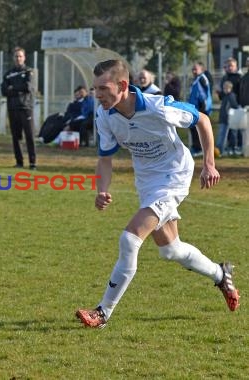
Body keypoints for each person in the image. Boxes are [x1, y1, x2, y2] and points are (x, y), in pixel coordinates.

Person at [75, 59, 240, 329]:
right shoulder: (104, 115)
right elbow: (105, 158)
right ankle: (221, 274)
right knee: (171, 250)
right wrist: (102, 189)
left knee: (130, 239)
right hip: (147, 182)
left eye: (103, 88)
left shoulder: (158, 106)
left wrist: (209, 163)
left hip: (175, 176)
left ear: (123, 85)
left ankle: (103, 312)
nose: (98, 95)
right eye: (95, 89)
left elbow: (203, 120)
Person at [1, 46, 36, 170]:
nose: (18, 58)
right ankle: (19, 162)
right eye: (16, 56)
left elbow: (27, 87)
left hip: (26, 107)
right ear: (13, 58)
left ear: (24, 58)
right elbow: (4, 90)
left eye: (20, 56)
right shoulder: (9, 74)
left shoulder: (28, 71)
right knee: (16, 137)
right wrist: (15, 89)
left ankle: (32, 163)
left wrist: (13, 88)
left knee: (29, 136)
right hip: (12, 108)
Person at [217, 57, 243, 156]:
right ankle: (227, 147)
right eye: (227, 66)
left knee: (236, 129)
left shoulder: (239, 77)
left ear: (236, 66)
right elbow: (223, 96)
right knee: (226, 129)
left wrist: (238, 105)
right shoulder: (224, 78)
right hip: (226, 108)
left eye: (231, 66)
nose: (229, 68)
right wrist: (220, 93)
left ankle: (237, 146)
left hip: (236, 107)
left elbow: (241, 92)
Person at [188, 62, 212, 157]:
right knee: (193, 129)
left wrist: (203, 109)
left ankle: (200, 149)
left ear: (201, 70)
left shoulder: (202, 78)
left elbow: (205, 94)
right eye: (192, 69)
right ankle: (196, 147)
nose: (194, 71)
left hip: (201, 109)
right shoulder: (196, 79)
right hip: (194, 108)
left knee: (200, 130)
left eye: (196, 69)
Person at [216, 80, 240, 156]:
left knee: (226, 135)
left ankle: (223, 149)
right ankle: (220, 149)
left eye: (227, 88)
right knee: (222, 134)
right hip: (223, 118)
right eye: (224, 88)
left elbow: (234, 106)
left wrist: (229, 113)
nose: (225, 90)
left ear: (230, 88)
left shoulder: (231, 96)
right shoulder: (225, 96)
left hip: (228, 119)